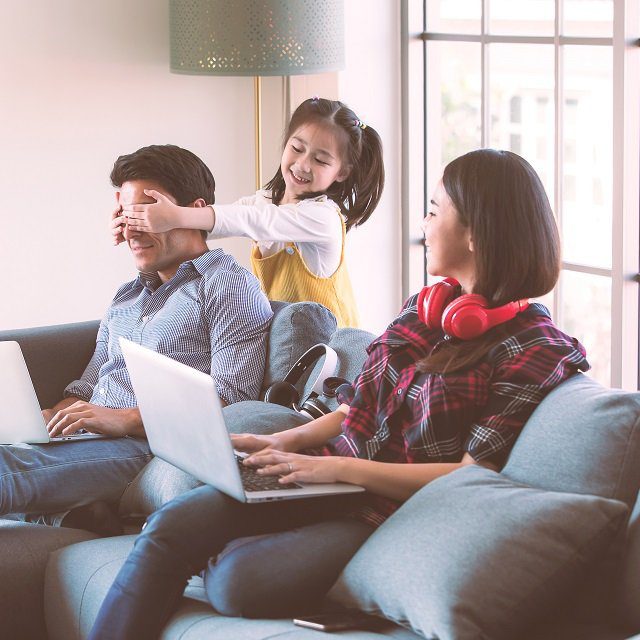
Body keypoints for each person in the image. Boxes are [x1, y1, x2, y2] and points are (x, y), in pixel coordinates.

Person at [88, 149, 589, 639]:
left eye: (435, 211)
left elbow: (471, 473)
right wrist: (290, 442)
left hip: (385, 507)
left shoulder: (536, 349)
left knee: (236, 582)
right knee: (172, 525)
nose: (424, 223)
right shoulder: (426, 309)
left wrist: (334, 469)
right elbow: (358, 406)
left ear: (477, 232)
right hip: (326, 478)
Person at [1, 144, 273, 529]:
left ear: (193, 211)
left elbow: (232, 403)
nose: (130, 228)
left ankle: (68, 514)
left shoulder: (227, 286)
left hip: (139, 446)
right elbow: (89, 384)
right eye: (126, 214)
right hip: (86, 441)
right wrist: (50, 417)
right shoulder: (127, 295)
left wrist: (123, 419)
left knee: (5, 468)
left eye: (146, 214)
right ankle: (77, 517)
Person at [109, 98, 385, 328]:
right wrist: (134, 223)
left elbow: (251, 222)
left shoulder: (323, 219)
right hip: (286, 339)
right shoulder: (263, 201)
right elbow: (216, 222)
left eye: (321, 159)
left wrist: (176, 215)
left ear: (343, 172)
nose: (302, 164)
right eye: (297, 148)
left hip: (332, 354)